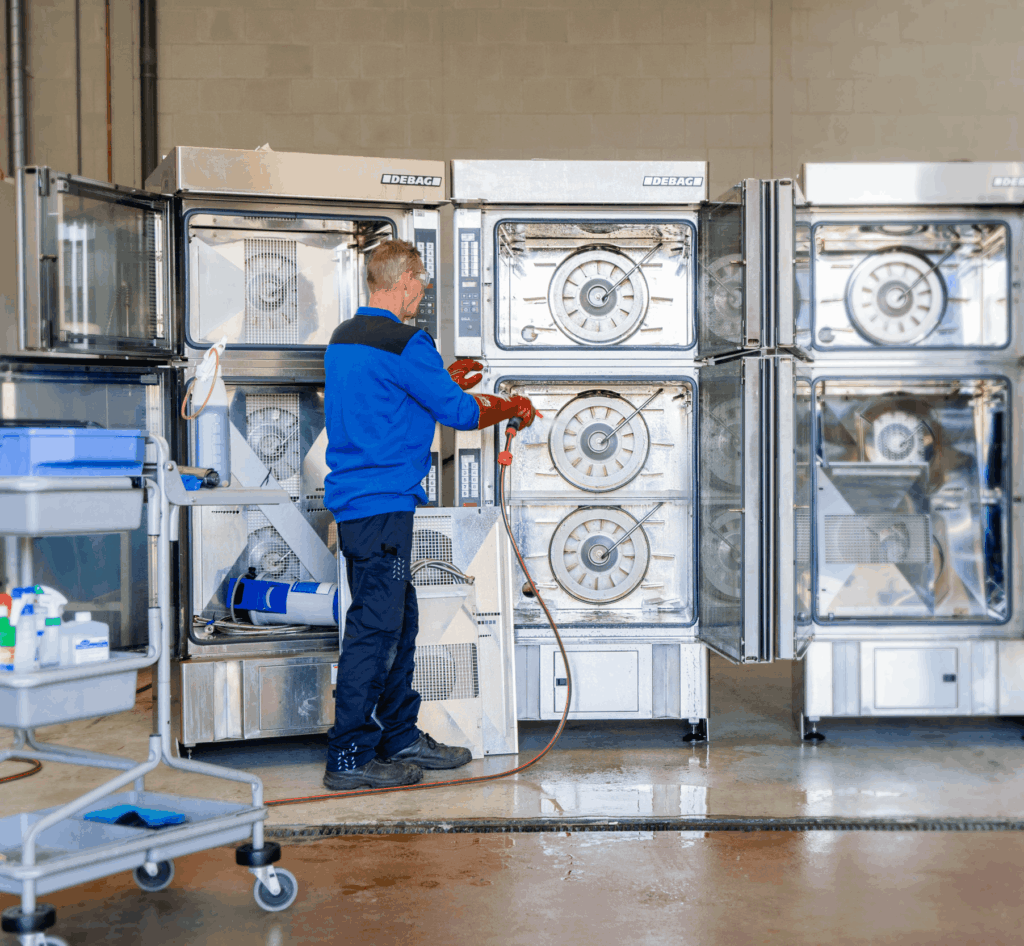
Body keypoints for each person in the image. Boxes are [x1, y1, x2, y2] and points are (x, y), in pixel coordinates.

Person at [322, 238, 538, 790]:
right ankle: (348, 756)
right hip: (383, 507)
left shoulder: (345, 339)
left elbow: (386, 398)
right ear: (404, 280)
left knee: (399, 620)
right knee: (375, 630)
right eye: (420, 282)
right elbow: (462, 414)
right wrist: (510, 404)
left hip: (359, 506)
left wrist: (441, 376)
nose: (422, 293)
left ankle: (399, 736)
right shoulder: (407, 341)